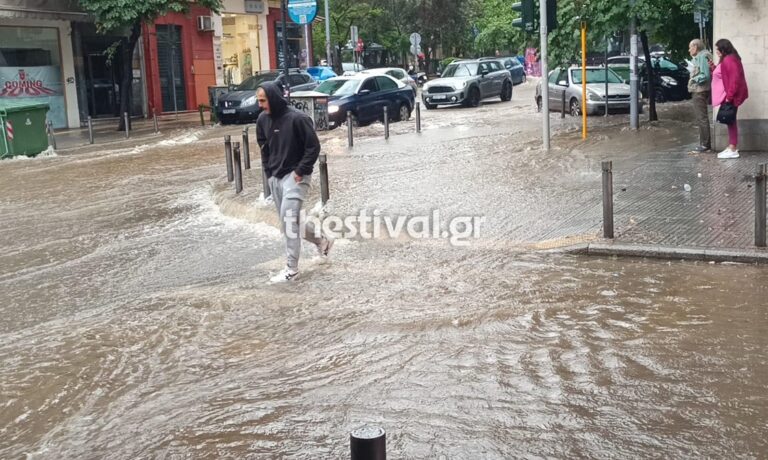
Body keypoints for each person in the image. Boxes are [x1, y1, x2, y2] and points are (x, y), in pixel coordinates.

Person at [256, 82, 333, 283]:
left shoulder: (298, 119)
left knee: (288, 221)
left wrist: (301, 171)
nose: (260, 105)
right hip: (276, 177)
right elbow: (264, 148)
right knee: (291, 221)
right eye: (258, 101)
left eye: (263, 100)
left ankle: (292, 269)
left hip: (295, 177)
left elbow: (313, 147)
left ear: (272, 97)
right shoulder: (262, 120)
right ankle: (322, 240)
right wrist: (269, 173)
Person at [712, 38, 749, 159]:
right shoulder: (729, 59)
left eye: (718, 49)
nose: (716, 51)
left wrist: (729, 97)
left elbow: (734, 80)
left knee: (731, 121)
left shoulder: (730, 60)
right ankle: (732, 146)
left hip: (732, 95)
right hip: (731, 95)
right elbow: (725, 75)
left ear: (723, 49)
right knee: (730, 121)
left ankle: (733, 148)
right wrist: (713, 67)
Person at [687, 39, 713, 154]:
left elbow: (705, 75)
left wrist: (694, 79)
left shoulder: (702, 57)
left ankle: (705, 144)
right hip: (701, 90)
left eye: (690, 47)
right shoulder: (703, 56)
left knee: (701, 118)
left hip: (699, 90)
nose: (689, 50)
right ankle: (704, 143)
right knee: (701, 118)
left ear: (696, 47)